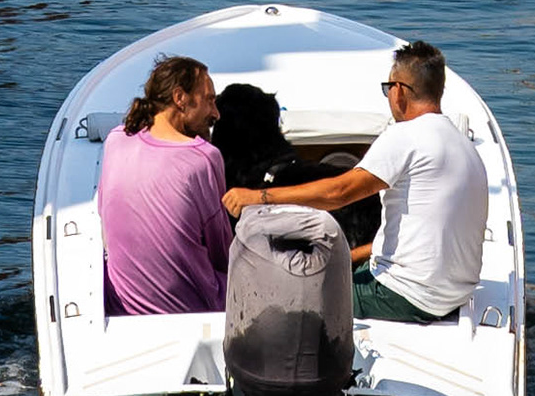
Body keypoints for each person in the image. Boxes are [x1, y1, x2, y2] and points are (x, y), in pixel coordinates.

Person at [257, 40, 489, 323]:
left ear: (400, 91)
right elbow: (423, 228)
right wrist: (353, 254)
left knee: (281, 295)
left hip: (404, 295)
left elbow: (338, 193)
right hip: (451, 295)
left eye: (388, 88)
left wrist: (258, 198)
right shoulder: (462, 144)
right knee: (337, 271)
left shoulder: (405, 135)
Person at [95, 56, 237, 318]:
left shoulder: (116, 140)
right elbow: (223, 254)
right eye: (209, 100)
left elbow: (105, 216)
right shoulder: (203, 157)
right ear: (180, 97)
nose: (215, 113)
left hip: (121, 309)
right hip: (194, 309)